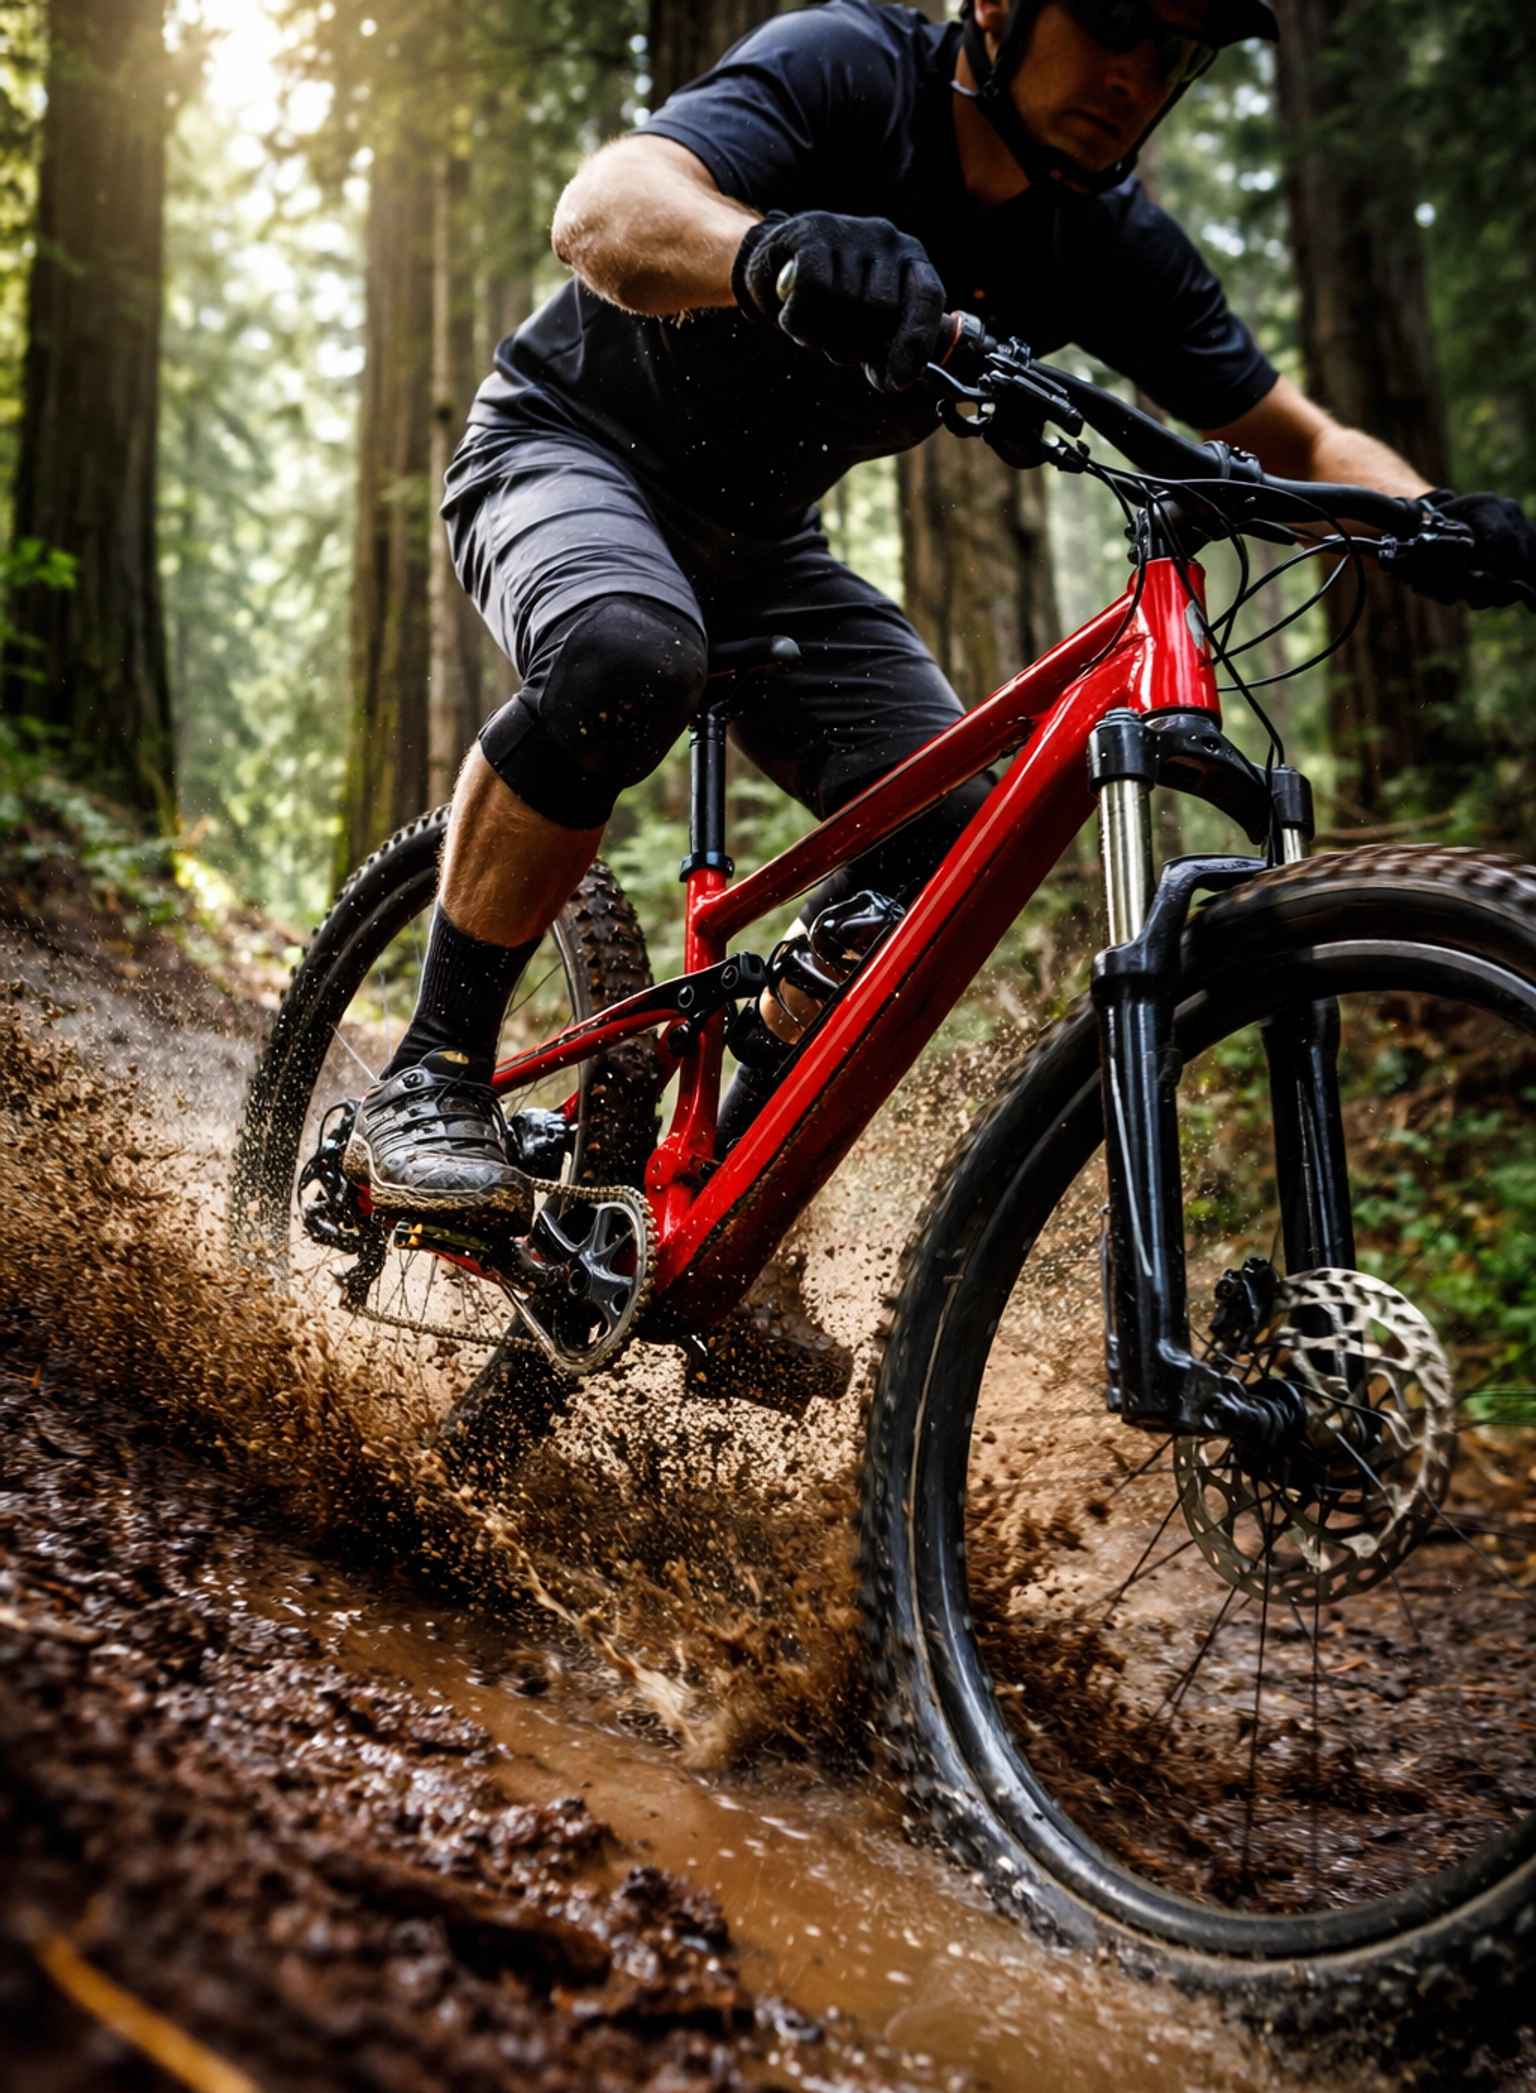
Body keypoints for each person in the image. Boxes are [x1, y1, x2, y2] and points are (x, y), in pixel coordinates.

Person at [344, 0, 1536, 1218]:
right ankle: (430, 1077)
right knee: (625, 651)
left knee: (951, 830)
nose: (1134, 73)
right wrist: (771, 252)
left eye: (1169, 51)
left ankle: (717, 1195)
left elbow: (1299, 439)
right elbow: (603, 212)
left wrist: (1427, 517)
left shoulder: (1104, 239)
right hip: (565, 447)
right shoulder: (851, 67)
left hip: (765, 545)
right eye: (1114, 20)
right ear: (1003, 7)